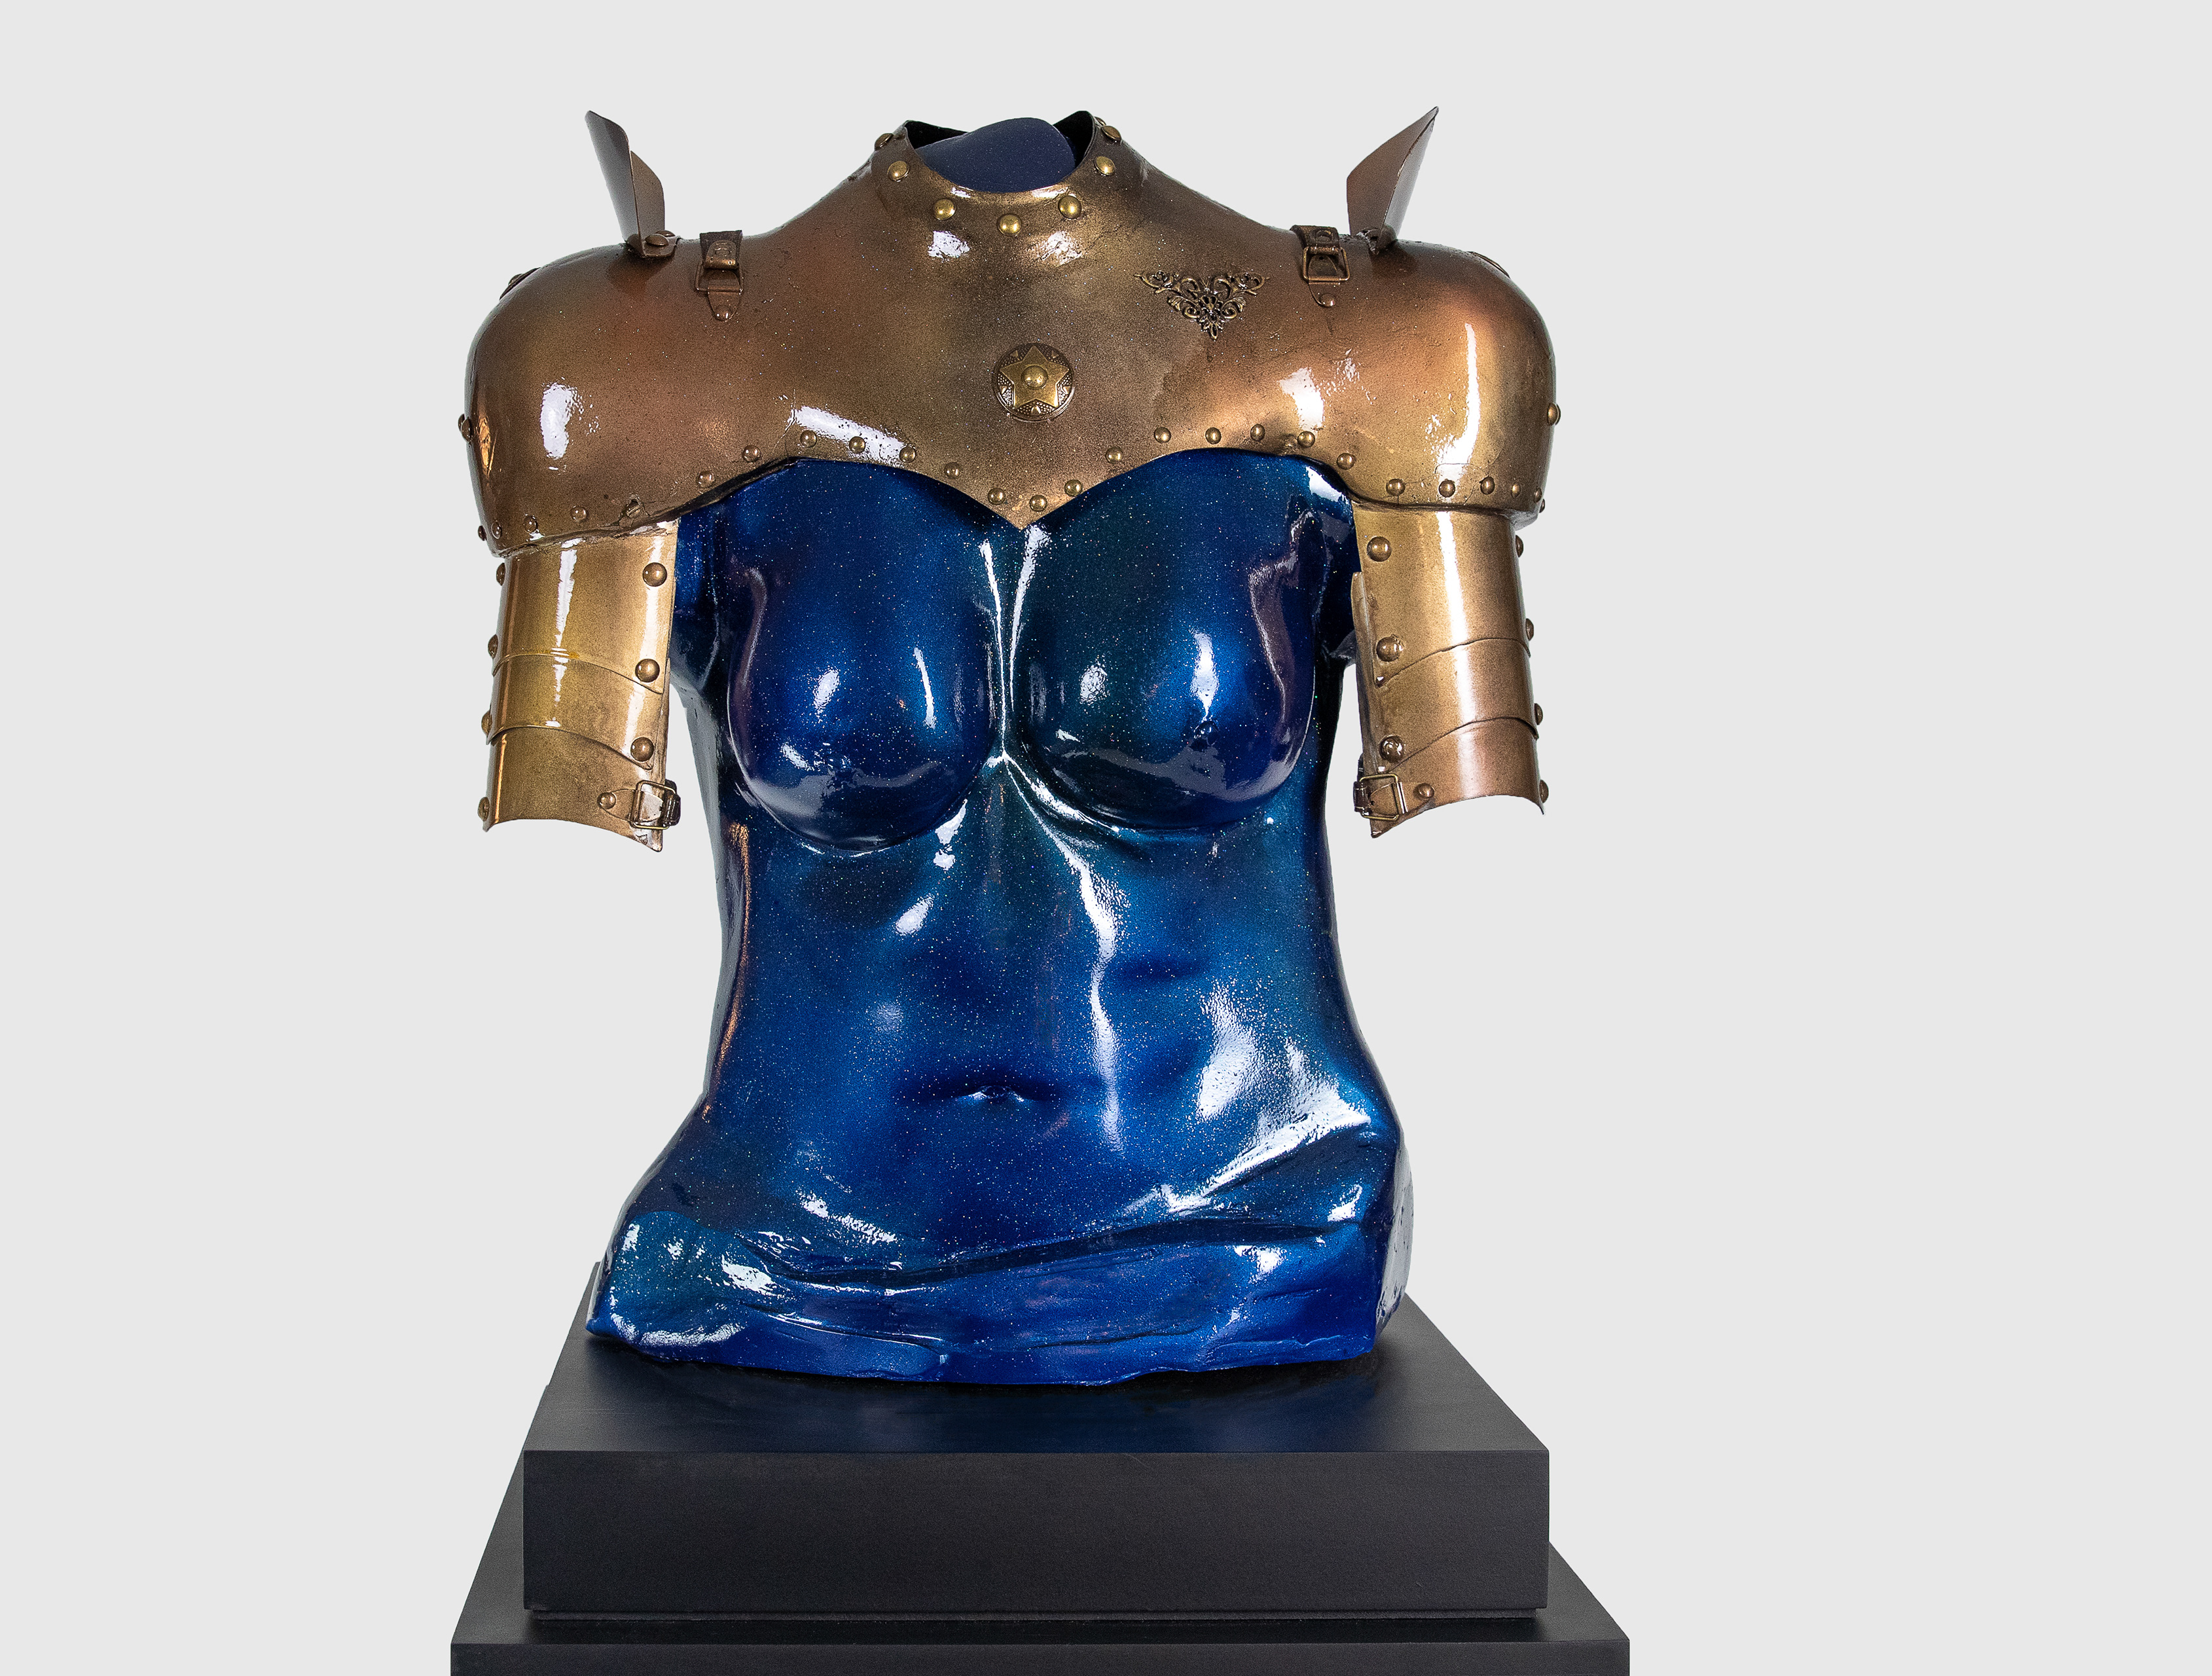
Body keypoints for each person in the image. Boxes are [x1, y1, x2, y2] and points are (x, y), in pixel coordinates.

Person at [462, 111, 1557, 1383]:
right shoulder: (627, 371)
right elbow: (558, 808)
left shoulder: (1395, 357)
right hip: (782, 1229)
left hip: (1265, 1205)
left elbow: (1474, 800)